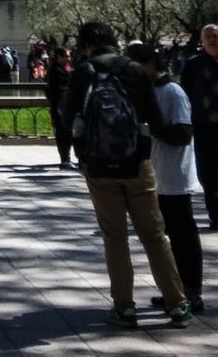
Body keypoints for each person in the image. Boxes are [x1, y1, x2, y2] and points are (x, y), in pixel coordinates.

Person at [61, 21, 190, 329]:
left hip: (99, 167)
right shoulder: (135, 70)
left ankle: (124, 308)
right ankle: (177, 304)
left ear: (87, 44)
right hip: (138, 165)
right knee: (155, 236)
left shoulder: (82, 71)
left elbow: (68, 120)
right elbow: (156, 121)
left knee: (115, 238)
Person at [131, 44, 204, 314]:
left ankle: (192, 291)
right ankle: (175, 289)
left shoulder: (173, 92)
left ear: (150, 63)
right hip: (157, 176)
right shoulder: (149, 92)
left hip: (175, 177)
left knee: (184, 235)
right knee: (167, 237)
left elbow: (184, 133)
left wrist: (153, 129)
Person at [180, 22, 218, 231]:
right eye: (209, 37)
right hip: (203, 128)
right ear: (202, 41)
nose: (213, 40)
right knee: (207, 173)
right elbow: (184, 94)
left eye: (216, 36)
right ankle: (215, 215)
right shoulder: (194, 65)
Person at [44, 46, 73, 168]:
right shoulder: (57, 71)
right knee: (63, 134)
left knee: (66, 133)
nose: (69, 58)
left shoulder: (60, 69)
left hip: (62, 107)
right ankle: (65, 160)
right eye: (66, 56)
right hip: (60, 107)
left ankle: (66, 158)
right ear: (59, 57)